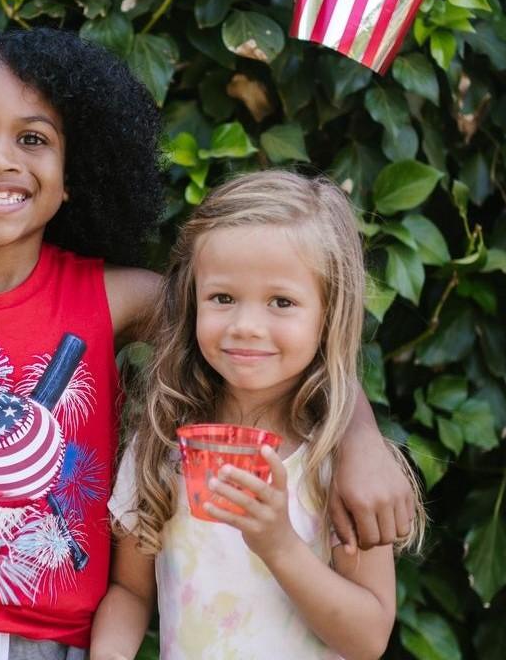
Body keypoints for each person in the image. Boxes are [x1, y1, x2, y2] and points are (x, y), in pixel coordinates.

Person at [0, 23, 415, 659]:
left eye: (33, 139)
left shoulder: (118, 299)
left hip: (63, 644)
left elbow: (256, 342)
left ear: (71, 174)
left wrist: (359, 439)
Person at [90, 170, 427, 660]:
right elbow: (131, 591)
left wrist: (279, 545)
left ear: (327, 315)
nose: (247, 326)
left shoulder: (338, 463)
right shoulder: (161, 443)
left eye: (282, 302)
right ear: (192, 301)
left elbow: (368, 637)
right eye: (223, 298)